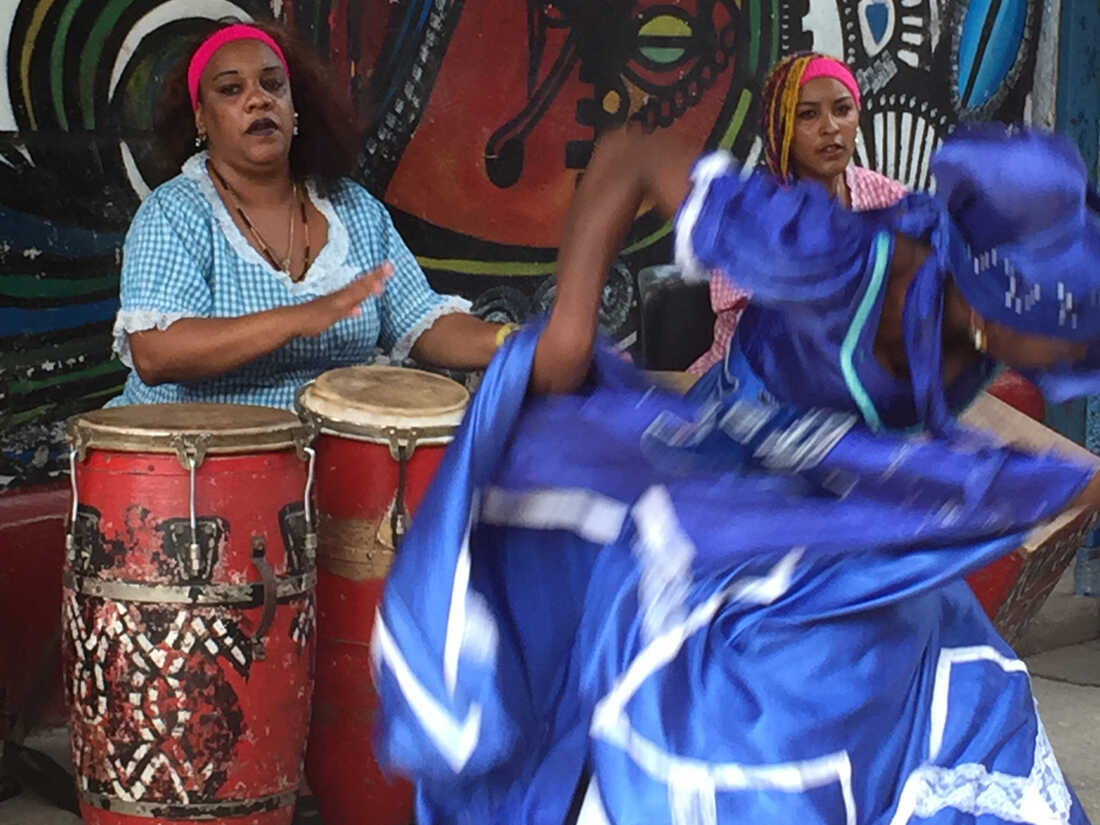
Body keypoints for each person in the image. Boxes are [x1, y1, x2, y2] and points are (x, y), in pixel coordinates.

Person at [369, 123, 1100, 825]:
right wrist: (571, 325)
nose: (1072, 359)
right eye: (1068, 342)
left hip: (844, 511)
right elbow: (630, 155)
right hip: (725, 500)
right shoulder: (827, 251)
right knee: (778, 703)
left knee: (959, 672)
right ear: (993, 293)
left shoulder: (982, 314)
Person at [107, 20, 510, 409]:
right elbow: (157, 353)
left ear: (294, 109)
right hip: (193, 460)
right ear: (200, 118)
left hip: (327, 457)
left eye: (273, 84)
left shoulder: (354, 210)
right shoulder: (175, 212)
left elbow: (421, 322)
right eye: (231, 89)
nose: (259, 99)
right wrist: (298, 318)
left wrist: (516, 343)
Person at [689, 51, 906, 375]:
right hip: (747, 386)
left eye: (843, 110)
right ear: (781, 129)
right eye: (807, 115)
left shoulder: (887, 198)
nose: (830, 128)